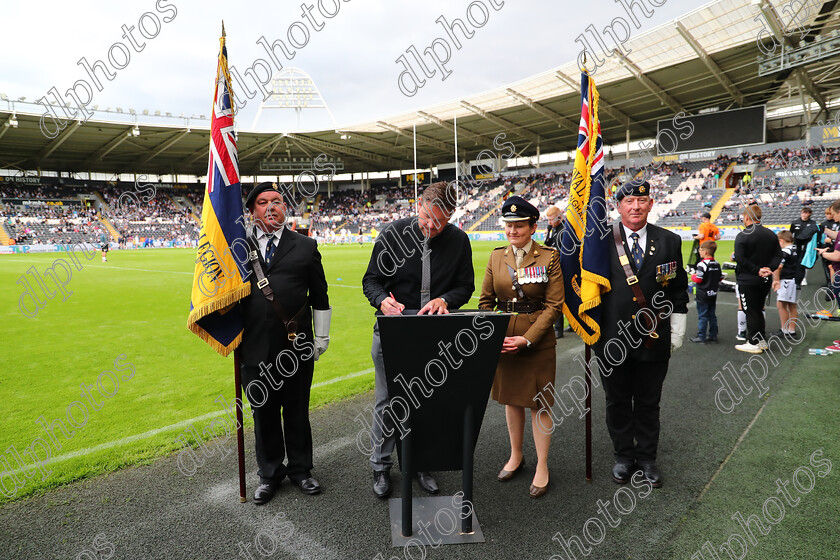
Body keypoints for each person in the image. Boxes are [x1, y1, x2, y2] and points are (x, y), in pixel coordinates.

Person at [361, 182, 474, 499]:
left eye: (439, 222)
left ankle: (421, 464)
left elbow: (465, 287)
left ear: (451, 216)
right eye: (426, 218)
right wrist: (382, 300)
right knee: (387, 401)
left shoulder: (460, 242)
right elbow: (371, 281)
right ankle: (380, 467)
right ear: (419, 205)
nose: (430, 226)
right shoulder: (392, 233)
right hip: (392, 331)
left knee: (425, 401)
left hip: (434, 334)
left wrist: (445, 300)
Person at [240, 182, 331, 505]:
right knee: (263, 414)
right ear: (252, 212)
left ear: (285, 208)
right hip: (252, 347)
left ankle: (301, 470)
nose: (270, 207)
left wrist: (322, 336)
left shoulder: (306, 246)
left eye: (276, 201)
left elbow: (320, 295)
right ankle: (269, 474)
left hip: (297, 346)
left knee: (296, 411)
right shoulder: (237, 248)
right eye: (262, 203)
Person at [593, 180, 688, 488]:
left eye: (641, 200)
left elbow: (677, 288)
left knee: (648, 402)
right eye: (629, 201)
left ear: (651, 204)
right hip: (612, 339)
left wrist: (677, 329)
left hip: (654, 337)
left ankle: (646, 458)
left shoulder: (670, 241)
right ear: (618, 206)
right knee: (616, 400)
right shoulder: (600, 241)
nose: (635, 206)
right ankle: (623, 456)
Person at [478, 196, 564, 499]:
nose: (512, 231)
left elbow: (554, 306)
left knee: (540, 402)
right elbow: (485, 302)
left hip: (536, 340)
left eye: (519, 225)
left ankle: (542, 465)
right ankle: (516, 455)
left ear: (533, 226)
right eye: (508, 225)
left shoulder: (549, 257)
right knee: (512, 400)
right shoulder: (495, 256)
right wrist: (494, 337)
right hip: (504, 340)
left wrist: (527, 338)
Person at [734, 204, 782, 354]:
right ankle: (761, 341)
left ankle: (754, 342)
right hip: (764, 280)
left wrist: (757, 270)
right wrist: (769, 269)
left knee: (751, 311)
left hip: (748, 279)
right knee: (759, 310)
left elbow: (740, 258)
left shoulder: (743, 235)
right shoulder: (771, 234)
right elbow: (779, 256)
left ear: (747, 217)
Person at [689, 240, 721, 344]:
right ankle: (713, 335)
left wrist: (692, 276)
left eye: (701, 250)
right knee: (712, 315)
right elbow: (720, 278)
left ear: (706, 252)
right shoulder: (716, 264)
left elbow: (698, 279)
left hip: (703, 294)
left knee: (702, 315)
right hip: (713, 293)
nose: (699, 252)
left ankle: (701, 336)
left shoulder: (702, 264)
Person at [544, 205, 566, 338]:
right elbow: (547, 244)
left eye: (551, 220)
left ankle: (559, 329)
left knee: (556, 299)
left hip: (561, 270)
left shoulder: (564, 231)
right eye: (548, 220)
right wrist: (548, 231)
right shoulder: (554, 229)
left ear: (559, 218)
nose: (549, 223)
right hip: (556, 269)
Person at [771, 230, 798, 339]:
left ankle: (785, 330)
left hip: (786, 280)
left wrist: (775, 280)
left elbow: (779, 266)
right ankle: (791, 330)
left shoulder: (785, 252)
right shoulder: (795, 248)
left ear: (781, 241)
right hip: (794, 280)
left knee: (781, 304)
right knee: (792, 305)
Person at [789, 206, 819, 287]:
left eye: (806, 213)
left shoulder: (813, 223)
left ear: (809, 214)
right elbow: (790, 234)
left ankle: (803, 278)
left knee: (804, 261)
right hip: (796, 244)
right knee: (795, 261)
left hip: (807, 244)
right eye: (803, 213)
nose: (804, 215)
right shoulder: (795, 222)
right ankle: (795, 277)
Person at [817, 206, 839, 288]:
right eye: (827, 214)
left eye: (831, 214)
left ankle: (833, 283)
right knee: (826, 266)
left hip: (834, 247)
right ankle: (829, 282)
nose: (830, 216)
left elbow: (837, 235)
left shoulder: (836, 223)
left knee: (832, 266)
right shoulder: (823, 224)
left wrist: (831, 240)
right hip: (826, 247)